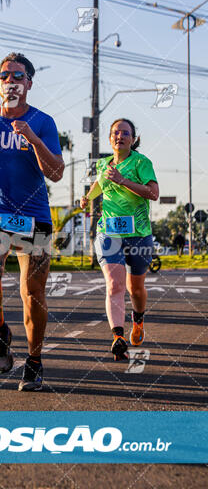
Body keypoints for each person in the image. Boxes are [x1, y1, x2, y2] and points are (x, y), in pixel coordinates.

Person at [0, 52, 64, 391]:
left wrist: (33, 139)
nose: (11, 81)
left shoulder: (43, 122)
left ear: (29, 84)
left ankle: (34, 362)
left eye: (18, 76)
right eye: (5, 75)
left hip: (34, 218)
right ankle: (0, 330)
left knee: (31, 293)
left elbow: (57, 173)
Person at [80, 119, 159, 361]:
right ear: (109, 138)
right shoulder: (104, 164)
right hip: (109, 232)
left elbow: (153, 193)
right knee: (114, 285)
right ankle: (117, 337)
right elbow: (99, 185)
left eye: (125, 133)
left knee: (135, 288)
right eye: (116, 132)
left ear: (133, 139)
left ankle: (138, 319)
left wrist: (123, 181)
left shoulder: (141, 163)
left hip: (138, 234)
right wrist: (86, 198)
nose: (120, 136)